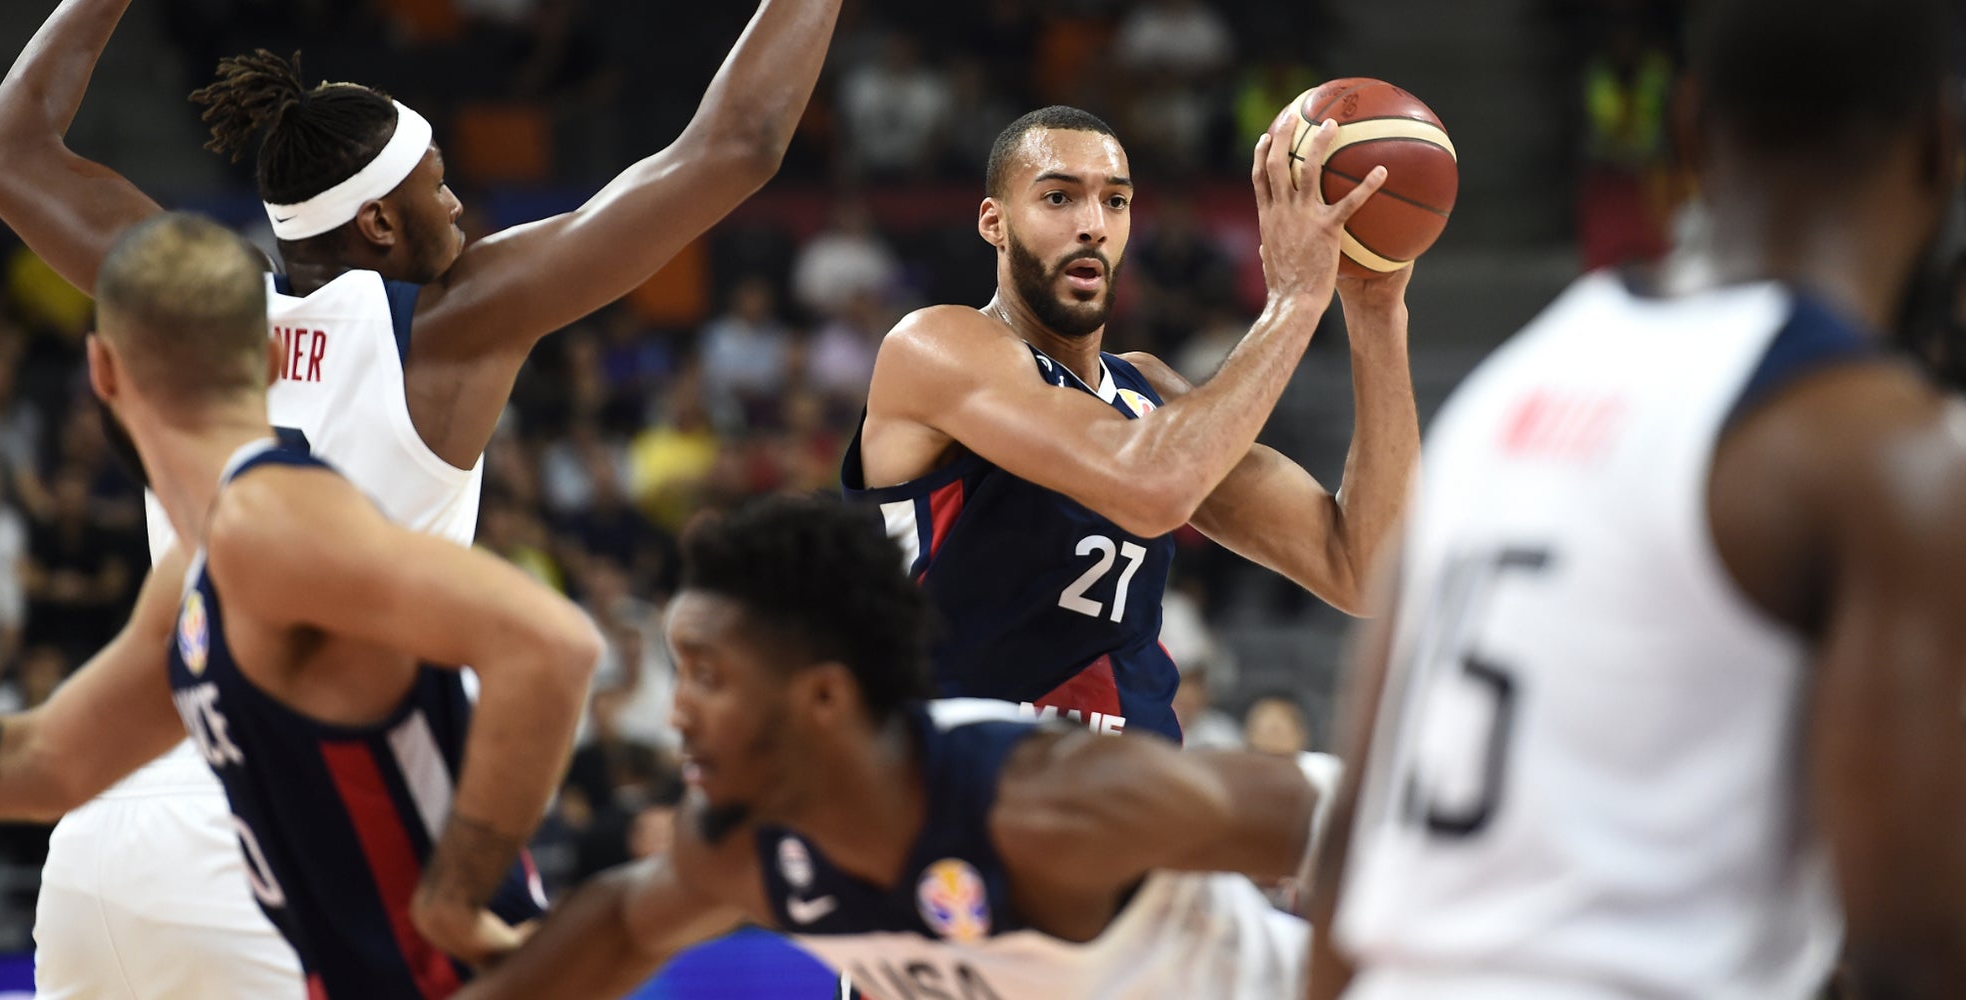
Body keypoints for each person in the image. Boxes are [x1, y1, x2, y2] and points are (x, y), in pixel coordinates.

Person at [0, 0, 841, 994]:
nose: (460, 207)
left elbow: (3, 148)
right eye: (440, 188)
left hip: (108, 820)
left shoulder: (186, 307)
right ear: (379, 222)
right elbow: (735, 144)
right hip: (295, 838)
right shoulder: (450, 325)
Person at [1305, 1, 1966, 997]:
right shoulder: (1877, 449)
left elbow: (1352, 850)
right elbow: (1912, 950)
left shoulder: (1503, 391)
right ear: (1941, 145)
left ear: (1687, 128)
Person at [0, 214, 602, 995]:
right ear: (272, 359)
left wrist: (457, 892)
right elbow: (54, 762)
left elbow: (553, 646)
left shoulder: (275, 525)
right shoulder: (200, 564)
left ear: (101, 370)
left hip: (394, 952)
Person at [450, 494, 1318, 1000]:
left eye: (709, 678)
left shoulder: (1044, 803)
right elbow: (616, 926)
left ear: (824, 698)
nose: (675, 713)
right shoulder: (748, 848)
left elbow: (1342, 815)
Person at [842, 105, 1419, 741]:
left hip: (1129, 797)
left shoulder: (1153, 393)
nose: (1092, 225)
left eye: (1115, 202)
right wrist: (1292, 301)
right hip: (963, 788)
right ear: (994, 223)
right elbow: (1150, 486)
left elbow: (1363, 567)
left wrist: (1376, 313)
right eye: (1059, 197)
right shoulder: (936, 345)